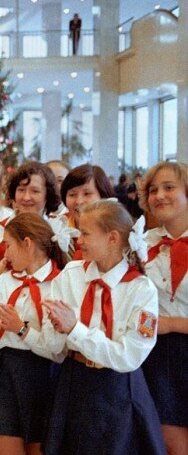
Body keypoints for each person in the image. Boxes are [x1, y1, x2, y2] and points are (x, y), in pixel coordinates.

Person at [42, 200, 165, 454]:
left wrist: (75, 329)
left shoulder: (141, 289)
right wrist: (55, 328)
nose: (79, 240)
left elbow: (129, 356)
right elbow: (53, 346)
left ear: (112, 238)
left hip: (118, 388)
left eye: (86, 233)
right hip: (74, 381)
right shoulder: (71, 275)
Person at [0, 213, 67, 455]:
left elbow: (56, 350)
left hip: (42, 374)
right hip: (4, 370)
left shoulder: (59, 283)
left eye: (8, 246)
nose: (5, 255)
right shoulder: (5, 281)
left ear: (27, 243)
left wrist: (21, 328)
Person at [139, 162, 188, 454]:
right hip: (158, 356)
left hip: (179, 340)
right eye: (153, 190)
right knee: (168, 442)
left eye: (169, 187)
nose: (159, 195)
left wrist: (171, 324)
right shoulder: (142, 245)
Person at [0, 162, 61, 289]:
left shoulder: (59, 231)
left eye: (35, 191)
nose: (26, 197)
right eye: (21, 190)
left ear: (47, 194)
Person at [59, 164, 114, 260]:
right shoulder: (57, 229)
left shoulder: (116, 232)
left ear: (103, 196)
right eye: (72, 194)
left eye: (87, 194)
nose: (79, 201)